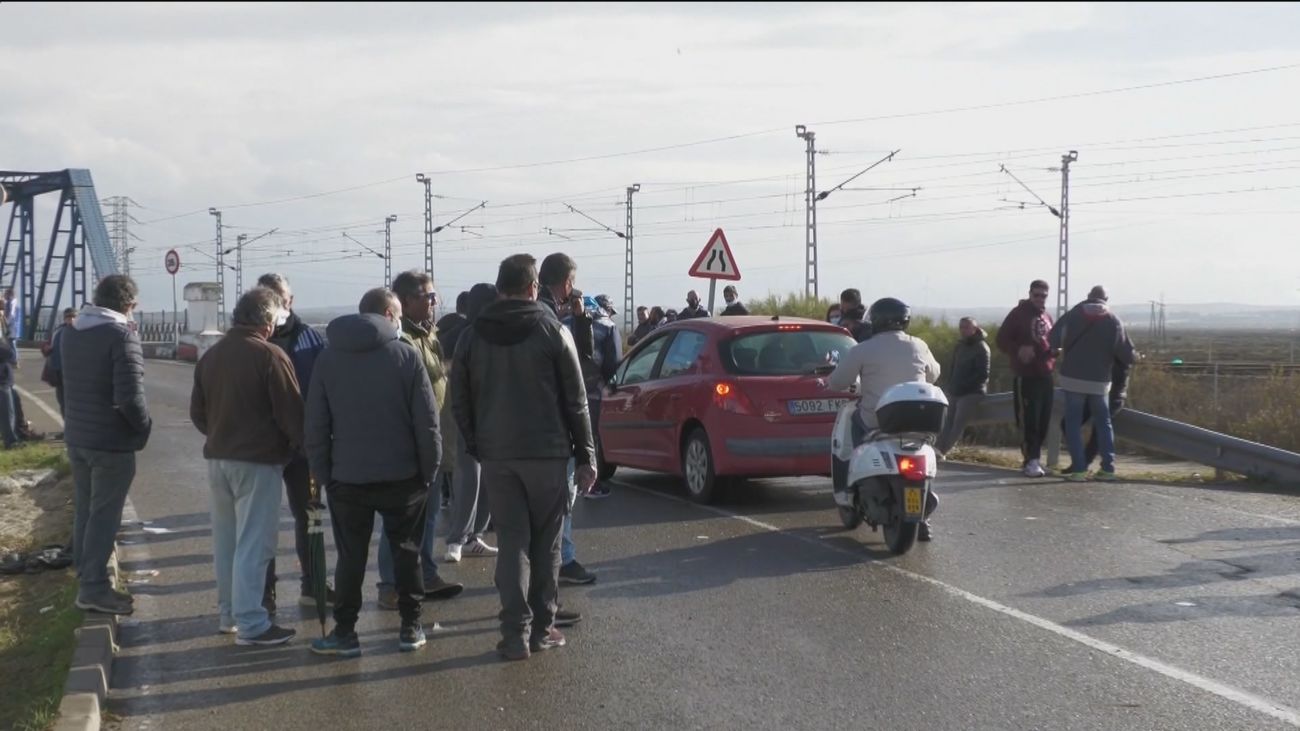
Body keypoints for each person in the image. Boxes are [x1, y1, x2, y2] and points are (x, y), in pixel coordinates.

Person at [450, 253, 597, 661]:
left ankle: (514, 633)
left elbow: (458, 401)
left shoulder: (472, 335)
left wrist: (478, 443)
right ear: (534, 287)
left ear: (499, 289)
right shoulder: (552, 329)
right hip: (548, 456)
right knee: (547, 544)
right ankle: (543, 629)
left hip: (498, 456)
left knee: (512, 540)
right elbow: (577, 400)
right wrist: (586, 455)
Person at [307, 288, 442, 657]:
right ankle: (410, 628)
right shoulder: (406, 356)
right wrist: (429, 472)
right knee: (407, 553)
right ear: (388, 315)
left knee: (350, 557)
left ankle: (346, 633)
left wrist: (325, 475)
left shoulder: (328, 357)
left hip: (347, 480)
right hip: (404, 478)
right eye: (398, 315)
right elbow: (427, 424)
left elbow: (316, 425)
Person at [190, 287, 301, 645]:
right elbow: (293, 416)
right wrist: (298, 449)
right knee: (255, 543)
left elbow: (198, 413)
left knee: (227, 542)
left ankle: (229, 614)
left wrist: (221, 434)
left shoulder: (211, 356)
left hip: (218, 458)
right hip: (258, 461)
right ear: (267, 321)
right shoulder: (271, 356)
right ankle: (253, 622)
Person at [62, 275, 151, 615]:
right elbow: (130, 398)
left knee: (86, 510)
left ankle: (87, 578)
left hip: (79, 437)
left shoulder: (70, 333)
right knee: (104, 516)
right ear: (128, 305)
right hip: (110, 443)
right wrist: (143, 431)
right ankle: (94, 588)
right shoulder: (121, 336)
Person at [377, 271, 464, 606]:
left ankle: (425, 574)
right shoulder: (401, 340)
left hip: (436, 437)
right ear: (407, 301)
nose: (434, 301)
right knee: (399, 518)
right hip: (412, 441)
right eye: (428, 296)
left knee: (426, 515)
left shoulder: (429, 333)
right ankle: (389, 585)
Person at [827, 297, 940, 540]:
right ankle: (923, 517)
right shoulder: (918, 345)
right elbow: (934, 373)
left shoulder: (863, 349)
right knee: (921, 450)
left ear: (876, 321)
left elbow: (837, 381)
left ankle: (850, 483)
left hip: (877, 421)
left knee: (854, 424)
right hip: (916, 420)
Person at [254, 274, 332, 613]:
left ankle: (314, 586)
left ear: (291, 300)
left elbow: (326, 389)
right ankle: (264, 592)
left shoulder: (311, 340)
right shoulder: (251, 341)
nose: (279, 304)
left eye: (282, 298)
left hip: (304, 448)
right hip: (264, 448)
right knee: (262, 522)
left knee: (311, 517)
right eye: (271, 298)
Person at [537, 253, 597, 586]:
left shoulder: (543, 317)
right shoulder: (551, 325)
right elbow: (577, 387)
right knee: (560, 505)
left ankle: (549, 569)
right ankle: (560, 564)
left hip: (517, 436)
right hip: (554, 432)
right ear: (568, 283)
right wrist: (586, 452)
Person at [1049, 286, 1137, 482]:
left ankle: (1079, 470)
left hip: (1072, 379)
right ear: (1106, 299)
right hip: (1100, 382)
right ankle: (1108, 468)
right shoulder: (1114, 320)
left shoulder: (1073, 315)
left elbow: (1052, 338)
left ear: (1088, 297)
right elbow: (1127, 354)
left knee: (1072, 424)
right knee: (1104, 424)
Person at [443, 283, 499, 562]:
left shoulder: (497, 334)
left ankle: (475, 536)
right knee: (470, 478)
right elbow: (456, 382)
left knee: (487, 478)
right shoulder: (464, 336)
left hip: (493, 417)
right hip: (469, 417)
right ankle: (457, 538)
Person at [996, 280, 1056, 478]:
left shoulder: (1047, 316)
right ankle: (1030, 460)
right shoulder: (1018, 314)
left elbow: (1050, 341)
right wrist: (1018, 350)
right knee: (1029, 420)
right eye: (1036, 295)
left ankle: (1035, 459)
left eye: (1043, 295)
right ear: (1030, 294)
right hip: (1026, 375)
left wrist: (1054, 352)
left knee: (1043, 420)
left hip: (1045, 374)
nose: (1040, 299)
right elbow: (1001, 339)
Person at [579, 294, 621, 499]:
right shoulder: (608, 326)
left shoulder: (565, 321)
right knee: (590, 439)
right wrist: (610, 385)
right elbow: (613, 362)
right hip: (594, 392)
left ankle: (570, 483)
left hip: (568, 391)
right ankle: (590, 485)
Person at [1060, 359, 1132, 475]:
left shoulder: (1118, 349)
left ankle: (1084, 464)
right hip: (1093, 392)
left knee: (1099, 429)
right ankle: (1080, 461)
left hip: (1113, 396)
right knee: (1067, 423)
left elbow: (1120, 375)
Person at [936, 318, 990, 456]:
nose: (963, 330)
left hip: (972, 392)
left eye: (967, 327)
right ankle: (936, 449)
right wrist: (951, 386)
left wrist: (964, 386)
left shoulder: (981, 347)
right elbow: (953, 368)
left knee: (958, 422)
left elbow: (982, 374)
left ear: (975, 329)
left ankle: (943, 451)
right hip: (955, 390)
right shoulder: (960, 346)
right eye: (961, 327)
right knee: (947, 420)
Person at [42, 308, 77, 414]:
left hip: (74, 372)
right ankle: (66, 426)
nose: (70, 319)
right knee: (62, 400)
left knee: (74, 401)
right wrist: (46, 349)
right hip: (58, 371)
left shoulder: (80, 331)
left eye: (73, 317)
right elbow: (47, 345)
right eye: (68, 317)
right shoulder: (58, 331)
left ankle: (75, 427)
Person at [0, 334, 17, 449]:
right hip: (2, 382)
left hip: (4, 380)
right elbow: (9, 353)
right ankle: (10, 442)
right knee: (7, 413)